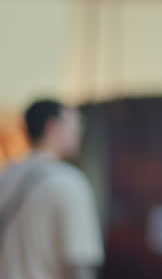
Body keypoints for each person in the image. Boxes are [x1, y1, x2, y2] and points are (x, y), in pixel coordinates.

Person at [0, 99, 104, 279]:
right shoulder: (70, 182)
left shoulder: (6, 177)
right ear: (52, 127)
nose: (79, 132)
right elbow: (80, 265)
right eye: (76, 125)